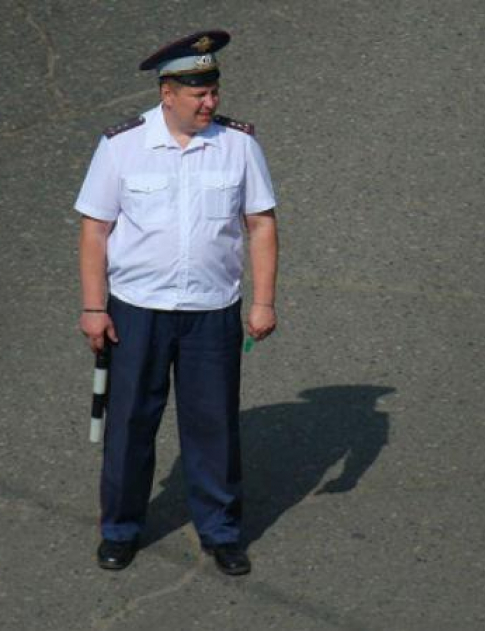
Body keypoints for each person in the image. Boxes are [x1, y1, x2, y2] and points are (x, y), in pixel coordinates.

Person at [75, 30, 278, 576]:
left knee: (213, 428)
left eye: (213, 90)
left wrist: (264, 302)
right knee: (129, 426)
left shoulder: (239, 145)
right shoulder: (123, 146)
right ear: (168, 93)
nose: (210, 102)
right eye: (198, 94)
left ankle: (221, 532)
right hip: (136, 309)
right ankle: (120, 529)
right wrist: (95, 308)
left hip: (212, 312)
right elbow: (95, 230)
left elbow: (260, 226)